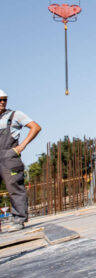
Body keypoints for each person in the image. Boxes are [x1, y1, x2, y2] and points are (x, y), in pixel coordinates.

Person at [0, 89, 41, 232]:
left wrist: (21, 146)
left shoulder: (15, 115)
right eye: (0, 100)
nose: (2, 102)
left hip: (10, 157)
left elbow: (35, 127)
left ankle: (19, 219)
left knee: (14, 188)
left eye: (4, 99)